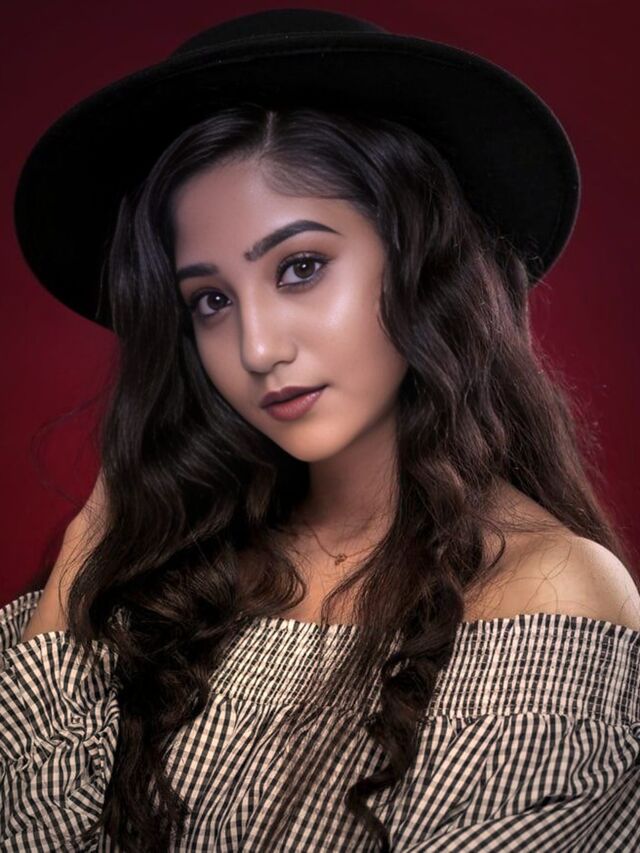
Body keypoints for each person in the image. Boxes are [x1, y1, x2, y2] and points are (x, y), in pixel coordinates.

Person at [2, 8, 639, 853]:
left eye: (300, 267)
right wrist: (89, 547)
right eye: (210, 300)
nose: (258, 348)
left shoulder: (549, 595)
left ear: (422, 262)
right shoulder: (165, 571)